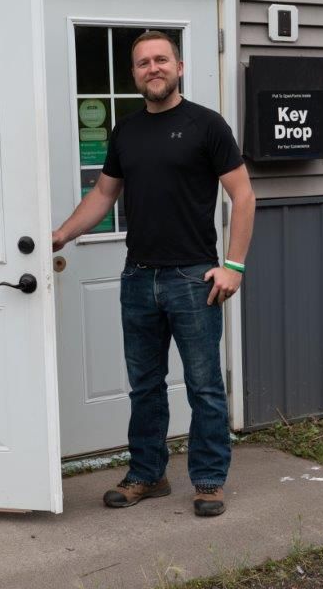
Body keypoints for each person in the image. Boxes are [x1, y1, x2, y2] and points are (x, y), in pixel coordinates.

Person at [52, 30, 255, 517]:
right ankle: (148, 473)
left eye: (161, 59)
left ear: (179, 67)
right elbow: (103, 196)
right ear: (135, 74)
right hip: (138, 278)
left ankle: (208, 481)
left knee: (204, 385)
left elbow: (243, 197)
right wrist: (60, 235)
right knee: (144, 384)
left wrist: (234, 267)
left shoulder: (207, 126)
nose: (153, 68)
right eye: (143, 63)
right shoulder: (126, 132)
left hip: (193, 278)